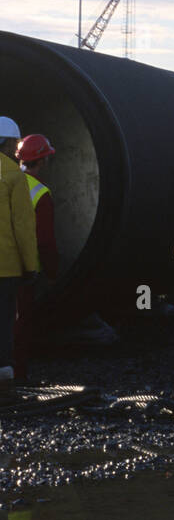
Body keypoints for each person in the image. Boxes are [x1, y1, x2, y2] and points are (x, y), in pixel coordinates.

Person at [13, 135, 59, 381]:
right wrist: (52, 272)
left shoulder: (5, 181)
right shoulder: (40, 193)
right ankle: (17, 379)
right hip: (24, 269)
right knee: (20, 325)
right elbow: (45, 241)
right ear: (41, 162)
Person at [0, 117, 38, 390]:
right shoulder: (14, 176)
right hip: (6, 266)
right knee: (4, 320)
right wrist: (31, 266)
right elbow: (23, 226)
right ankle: (4, 373)